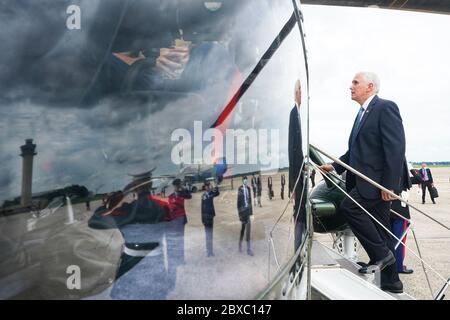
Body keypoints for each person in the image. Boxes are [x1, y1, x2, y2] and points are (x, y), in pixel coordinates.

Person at [319, 72, 405, 293]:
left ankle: (382, 256)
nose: (351, 86)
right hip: (366, 182)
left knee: (349, 208)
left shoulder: (385, 107)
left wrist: (389, 185)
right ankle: (392, 282)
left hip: (376, 183)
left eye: (355, 83)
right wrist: (336, 166)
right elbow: (356, 151)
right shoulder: (362, 113)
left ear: (370, 86)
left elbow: (396, 149)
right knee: (382, 229)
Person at [289, 79, 306, 252]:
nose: (302, 92)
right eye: (300, 89)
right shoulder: (293, 113)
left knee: (301, 215)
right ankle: (297, 250)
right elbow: (291, 150)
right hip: (296, 180)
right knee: (298, 216)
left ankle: (299, 248)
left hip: (300, 177)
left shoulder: (298, 113)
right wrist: (293, 183)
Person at [390, 161, 414, 275]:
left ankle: (390, 265)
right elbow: (419, 179)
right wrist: (411, 169)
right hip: (400, 212)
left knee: (389, 239)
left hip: (388, 210)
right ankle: (399, 266)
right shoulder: (404, 176)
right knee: (399, 241)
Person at [201, 181, 220, 257]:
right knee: (207, 235)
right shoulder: (203, 196)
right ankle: (208, 251)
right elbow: (202, 208)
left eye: (208, 186)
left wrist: (214, 187)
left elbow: (217, 193)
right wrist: (202, 218)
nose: (207, 187)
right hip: (205, 217)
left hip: (210, 216)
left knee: (210, 234)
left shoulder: (211, 193)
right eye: (206, 186)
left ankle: (211, 251)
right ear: (205, 187)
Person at [237, 176, 253, 256]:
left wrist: (251, 213)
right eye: (244, 179)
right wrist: (239, 215)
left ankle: (248, 249)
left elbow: (250, 201)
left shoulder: (249, 189)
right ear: (242, 180)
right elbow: (238, 202)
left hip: (247, 212)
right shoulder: (240, 189)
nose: (245, 181)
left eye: (246, 179)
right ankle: (240, 244)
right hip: (242, 212)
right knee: (243, 230)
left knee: (248, 231)